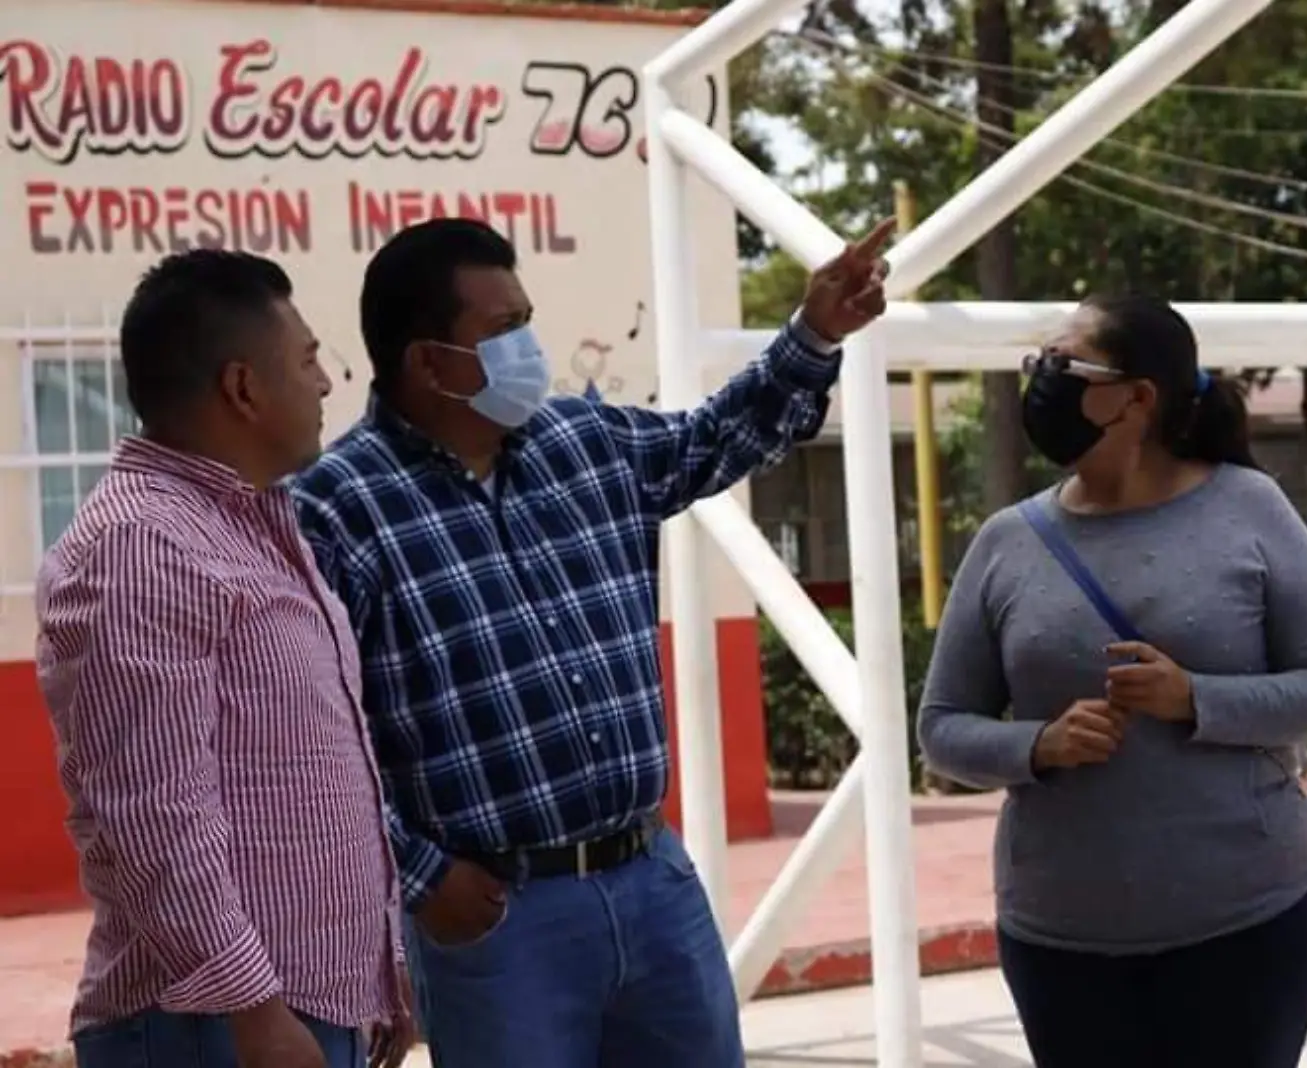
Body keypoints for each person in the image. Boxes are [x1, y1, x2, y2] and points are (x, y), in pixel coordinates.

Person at [291, 216, 892, 1067]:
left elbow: (718, 436)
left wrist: (815, 333)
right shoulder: (335, 509)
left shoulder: (585, 441)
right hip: (499, 917)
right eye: (503, 331)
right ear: (427, 362)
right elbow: (310, 737)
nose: (530, 347)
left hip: (650, 879)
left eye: (526, 319)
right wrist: (421, 878)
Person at [916, 293, 1307, 1068]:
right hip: (1060, 940)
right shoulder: (1007, 543)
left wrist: (1196, 699)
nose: (1041, 381)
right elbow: (942, 726)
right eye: (1037, 364)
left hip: (1250, 925)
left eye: (1063, 364)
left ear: (1137, 397)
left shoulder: (1249, 507)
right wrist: (1040, 745)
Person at [35, 250, 413, 1068]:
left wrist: (383, 973)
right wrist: (254, 1013)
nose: (324, 385)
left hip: (293, 1011)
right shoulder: (141, 546)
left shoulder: (258, 529)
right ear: (243, 387)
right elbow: (154, 814)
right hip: (213, 1028)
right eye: (309, 359)